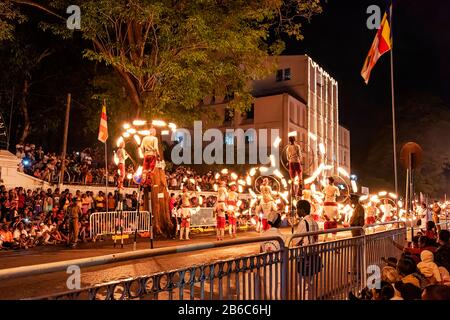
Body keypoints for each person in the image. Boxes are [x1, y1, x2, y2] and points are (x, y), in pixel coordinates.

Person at [322, 177, 340, 241]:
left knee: (324, 213)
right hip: (332, 202)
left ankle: (325, 239)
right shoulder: (335, 188)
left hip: (327, 203)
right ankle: (331, 239)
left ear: (329, 181)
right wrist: (334, 193)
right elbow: (338, 194)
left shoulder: (326, 187)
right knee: (336, 212)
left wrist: (327, 194)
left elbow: (323, 192)